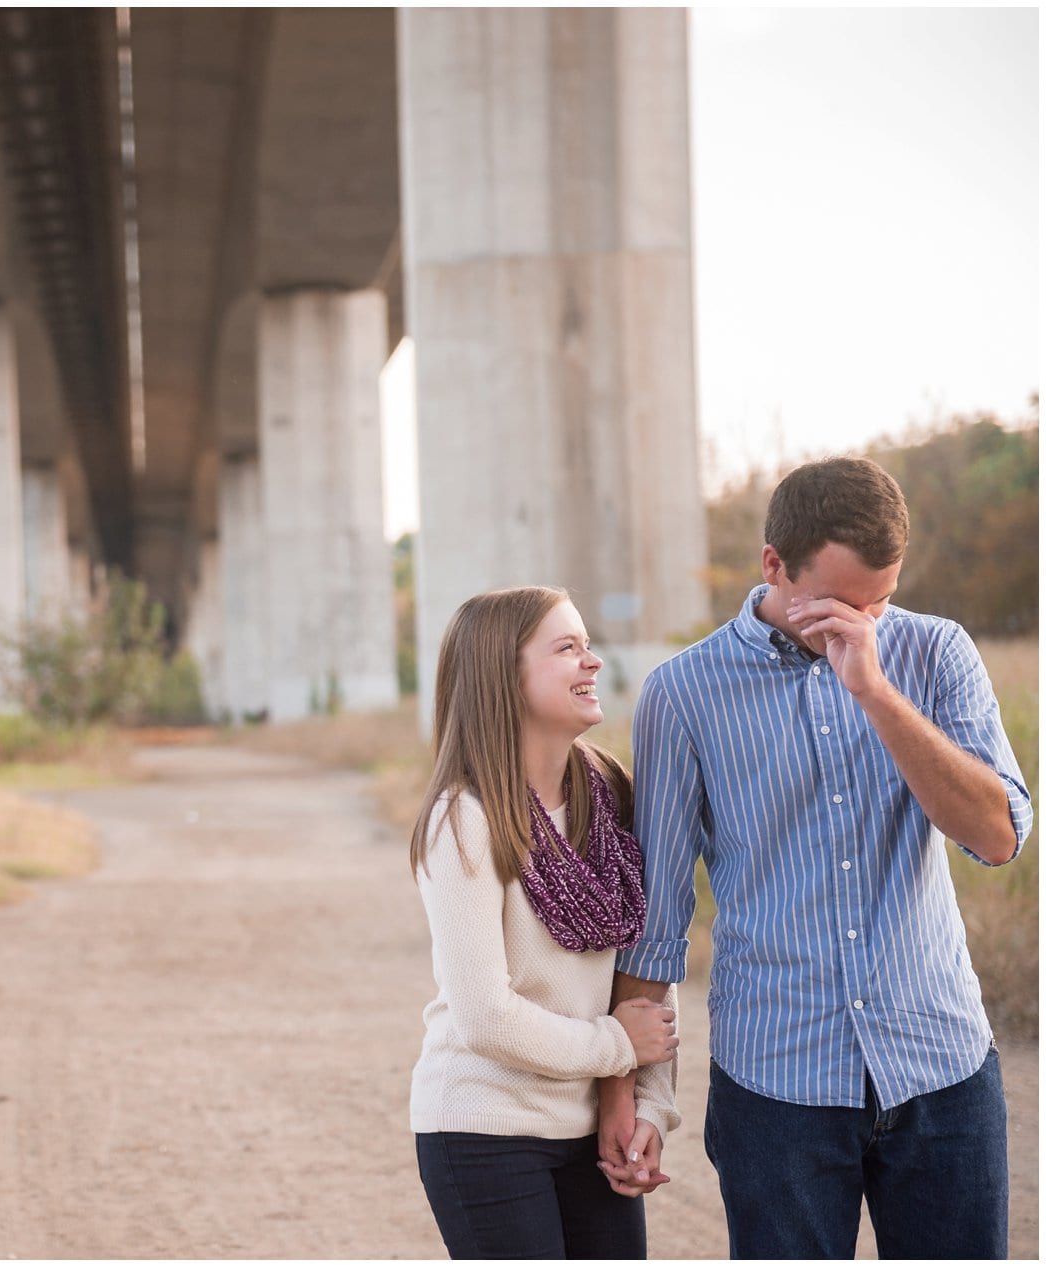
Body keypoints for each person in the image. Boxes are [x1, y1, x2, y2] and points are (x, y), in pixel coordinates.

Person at [600, 456, 1032, 1258]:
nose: (867, 621)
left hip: (940, 1066)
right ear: (774, 565)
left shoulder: (936, 655)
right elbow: (657, 918)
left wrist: (875, 691)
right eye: (842, 602)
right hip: (776, 1087)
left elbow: (998, 836)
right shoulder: (682, 694)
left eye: (883, 600)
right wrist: (634, 1094)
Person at [407, 586, 680, 1259]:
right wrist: (617, 1045)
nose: (592, 662)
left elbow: (648, 958)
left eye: (588, 644)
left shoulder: (613, 795)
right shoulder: (465, 819)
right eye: (567, 648)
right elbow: (486, 1017)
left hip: (590, 1133)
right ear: (506, 675)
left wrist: (649, 1107)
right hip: (483, 1128)